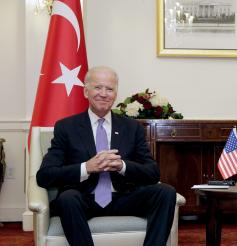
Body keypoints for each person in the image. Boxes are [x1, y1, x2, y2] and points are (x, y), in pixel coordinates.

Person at [36, 66, 177, 246]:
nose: (104, 94)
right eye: (98, 87)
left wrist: (122, 166)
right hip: (84, 199)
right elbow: (45, 176)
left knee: (165, 192)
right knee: (67, 198)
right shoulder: (66, 127)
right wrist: (86, 168)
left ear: (115, 94)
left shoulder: (131, 128)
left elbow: (152, 172)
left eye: (109, 89)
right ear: (86, 91)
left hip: (123, 197)